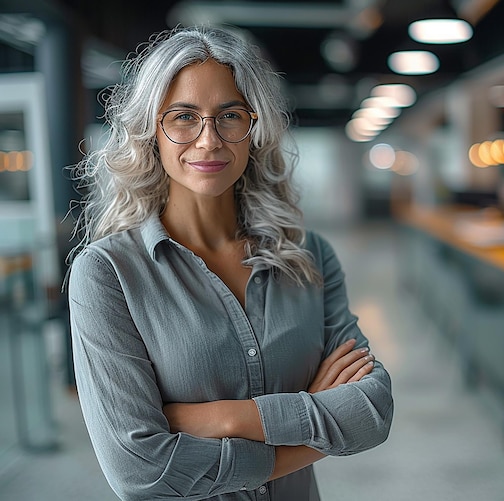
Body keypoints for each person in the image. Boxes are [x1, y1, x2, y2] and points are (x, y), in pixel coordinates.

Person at [67, 25, 393, 501]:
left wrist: (221, 419)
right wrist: (313, 421)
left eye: (230, 116)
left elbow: (372, 409)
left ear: (253, 129)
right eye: (182, 117)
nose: (208, 141)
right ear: (150, 130)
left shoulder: (308, 256)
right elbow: (141, 472)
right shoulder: (107, 274)